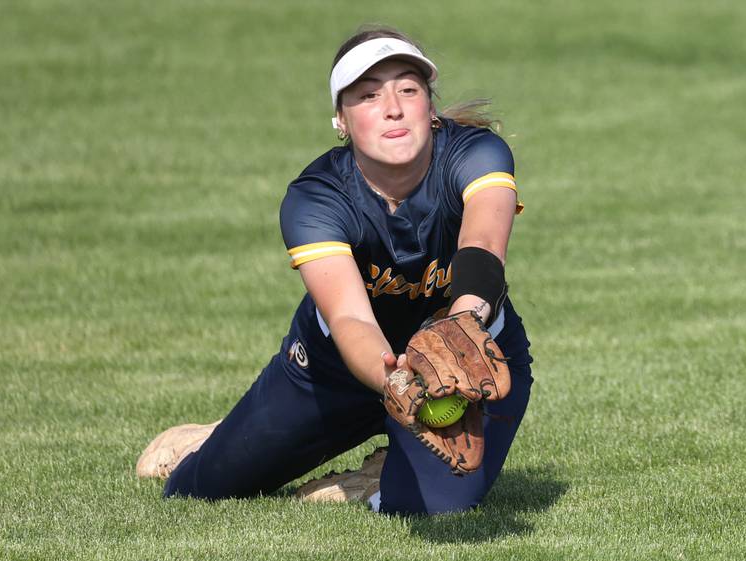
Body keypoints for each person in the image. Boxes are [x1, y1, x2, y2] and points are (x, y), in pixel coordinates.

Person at [137, 25, 533, 516]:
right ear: (341, 121)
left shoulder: (475, 153)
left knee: (433, 507)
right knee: (197, 490)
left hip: (467, 367)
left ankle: (379, 473)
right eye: (368, 95)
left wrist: (464, 324)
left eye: (408, 89)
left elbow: (483, 247)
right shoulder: (316, 197)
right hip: (337, 371)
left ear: (430, 109)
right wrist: (393, 380)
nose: (392, 106)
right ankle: (218, 436)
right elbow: (351, 320)